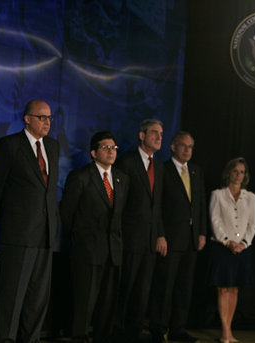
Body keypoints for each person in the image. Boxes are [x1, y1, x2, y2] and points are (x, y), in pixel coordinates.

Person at [0, 99, 60, 343]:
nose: (47, 122)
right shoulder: (10, 146)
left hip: (45, 236)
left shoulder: (53, 146)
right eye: (42, 117)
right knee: (12, 300)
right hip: (18, 236)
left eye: (50, 118)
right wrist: (10, 223)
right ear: (27, 119)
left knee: (37, 300)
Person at [60, 131, 129, 343]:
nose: (111, 152)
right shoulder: (80, 177)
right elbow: (67, 214)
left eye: (114, 148)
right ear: (93, 152)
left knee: (108, 304)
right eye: (106, 147)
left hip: (113, 252)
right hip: (88, 251)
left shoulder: (122, 179)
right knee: (85, 303)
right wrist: (81, 241)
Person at [149, 131, 207, 343]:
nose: (187, 150)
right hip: (170, 241)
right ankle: (158, 328)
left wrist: (201, 232)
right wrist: (160, 235)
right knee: (164, 287)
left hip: (190, 241)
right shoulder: (162, 170)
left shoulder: (196, 171)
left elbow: (200, 204)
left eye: (191, 146)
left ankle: (178, 329)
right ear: (173, 147)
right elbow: (158, 207)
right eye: (183, 146)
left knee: (184, 288)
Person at [115, 119, 165, 343]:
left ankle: (133, 335)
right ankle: (118, 333)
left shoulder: (160, 166)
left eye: (161, 134)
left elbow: (158, 205)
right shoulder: (126, 162)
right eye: (154, 132)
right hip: (129, 238)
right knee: (124, 290)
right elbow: (119, 203)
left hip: (150, 241)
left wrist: (160, 234)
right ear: (142, 135)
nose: (158, 137)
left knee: (142, 292)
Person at [208, 157, 255, 343]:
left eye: (242, 172)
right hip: (222, 248)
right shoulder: (218, 194)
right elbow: (215, 220)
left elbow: (253, 224)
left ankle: (229, 330)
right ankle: (225, 331)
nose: (238, 175)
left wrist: (243, 243)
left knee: (234, 289)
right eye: (235, 171)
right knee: (223, 289)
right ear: (229, 172)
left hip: (242, 249)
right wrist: (227, 242)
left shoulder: (250, 197)